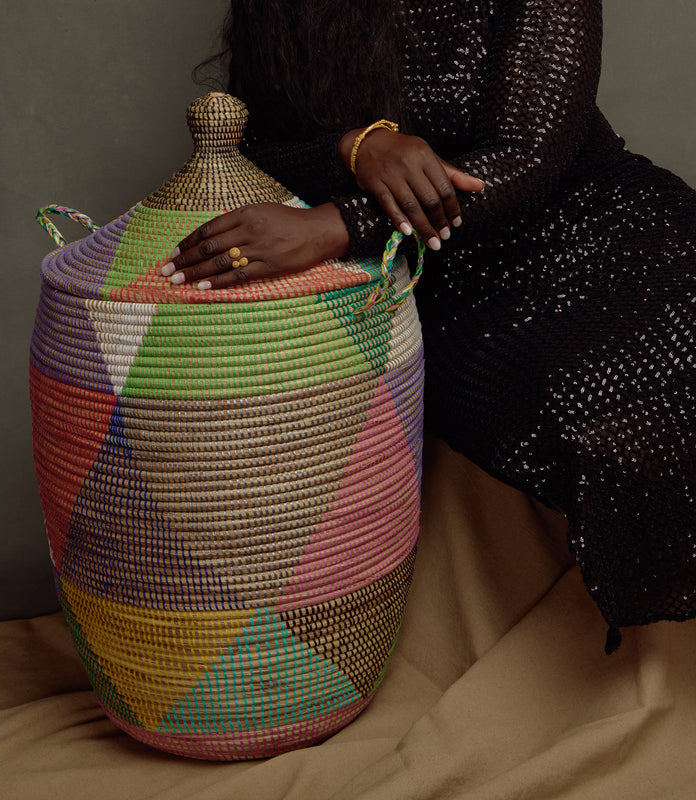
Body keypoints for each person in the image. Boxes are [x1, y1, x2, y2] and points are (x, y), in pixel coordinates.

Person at [163, 0, 696, 650]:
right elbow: (256, 142)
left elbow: (532, 150)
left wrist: (338, 224)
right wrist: (354, 146)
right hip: (438, 264)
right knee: (595, 386)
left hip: (582, 203)